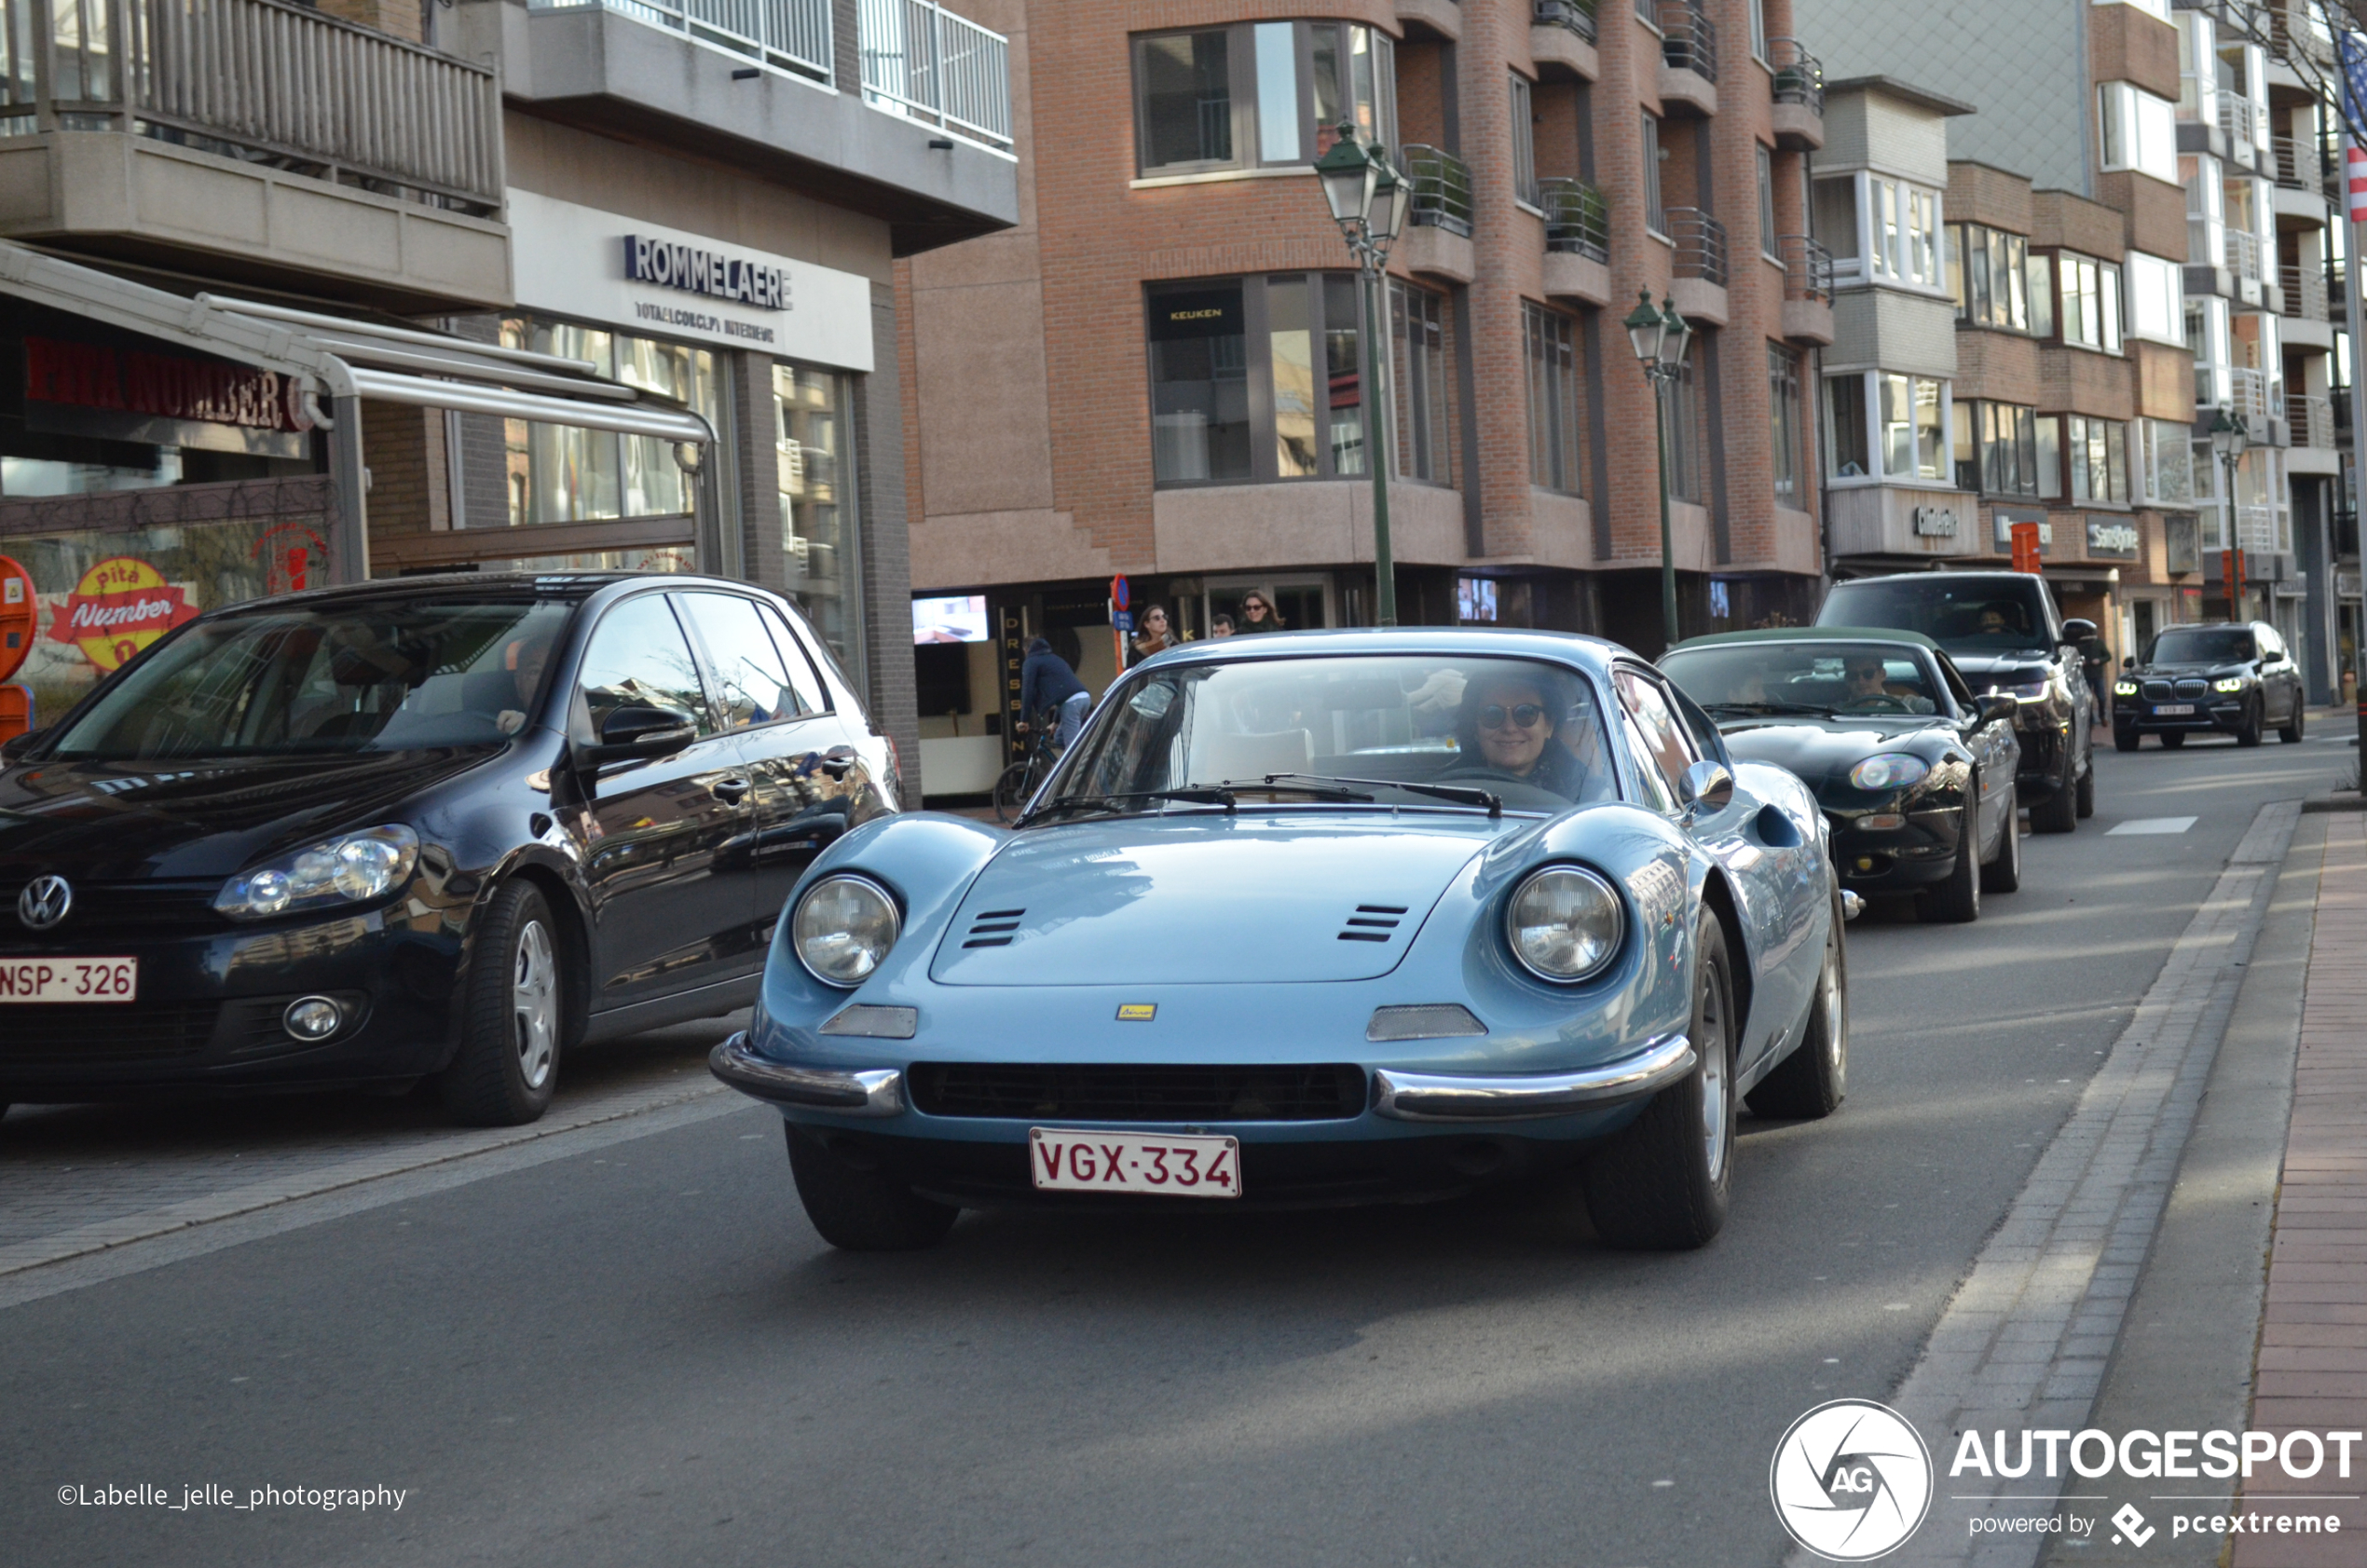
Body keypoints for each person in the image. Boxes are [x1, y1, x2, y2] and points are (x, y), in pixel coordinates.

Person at [1442, 670, 1591, 802]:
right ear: (1474, 727)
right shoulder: (1441, 791)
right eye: (1492, 714)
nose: (1509, 728)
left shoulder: (1588, 794)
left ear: (1549, 725)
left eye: (1526, 713)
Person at [1019, 635, 1090, 751]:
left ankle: (1084, 766)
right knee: (1059, 738)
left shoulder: (1031, 662)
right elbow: (1062, 694)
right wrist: (1055, 722)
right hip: (1083, 699)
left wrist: (1024, 720)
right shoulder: (1054, 658)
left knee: (1072, 751)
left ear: (1026, 649)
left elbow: (1028, 690)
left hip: (1072, 703)